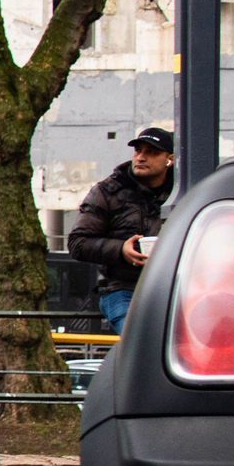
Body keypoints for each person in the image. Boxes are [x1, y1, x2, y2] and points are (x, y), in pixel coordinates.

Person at [69, 126, 175, 337]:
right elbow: (77, 243)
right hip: (122, 290)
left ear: (169, 160)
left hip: (173, 288)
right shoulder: (107, 191)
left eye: (152, 152)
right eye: (138, 151)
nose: (141, 157)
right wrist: (121, 250)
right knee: (141, 342)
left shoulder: (182, 190)